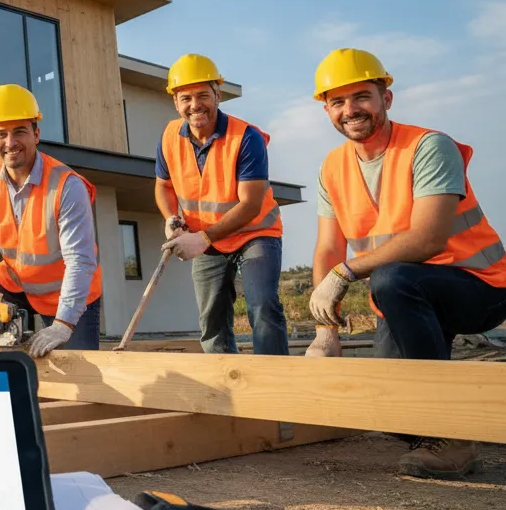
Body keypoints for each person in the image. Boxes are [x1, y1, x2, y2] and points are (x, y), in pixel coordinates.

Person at [304, 48, 506, 478]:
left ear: (386, 98)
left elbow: (429, 237)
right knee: (394, 411)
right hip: (407, 296)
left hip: (480, 286)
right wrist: (325, 331)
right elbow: (327, 248)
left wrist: (347, 272)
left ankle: (453, 439)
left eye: (361, 96)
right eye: (337, 102)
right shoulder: (332, 167)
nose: (350, 110)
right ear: (326, 109)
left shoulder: (429, 146)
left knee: (391, 277)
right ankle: (438, 421)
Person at [0, 84, 103, 358]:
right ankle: (9, 364)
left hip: (64, 294)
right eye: (1, 134)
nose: (10, 143)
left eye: (19, 131)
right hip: (16, 285)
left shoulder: (67, 186)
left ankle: (44, 345)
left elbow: (80, 261)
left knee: (76, 373)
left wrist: (63, 325)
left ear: (36, 134)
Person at [154, 54, 288, 355]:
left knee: (262, 306)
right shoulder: (168, 137)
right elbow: (163, 186)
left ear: (218, 95)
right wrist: (170, 217)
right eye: (185, 97)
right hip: (205, 240)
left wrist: (202, 239)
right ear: (176, 103)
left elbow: (251, 205)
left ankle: (275, 383)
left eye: (203, 95)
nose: (195, 104)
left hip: (254, 234)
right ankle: (226, 392)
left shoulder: (247, 138)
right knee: (212, 320)